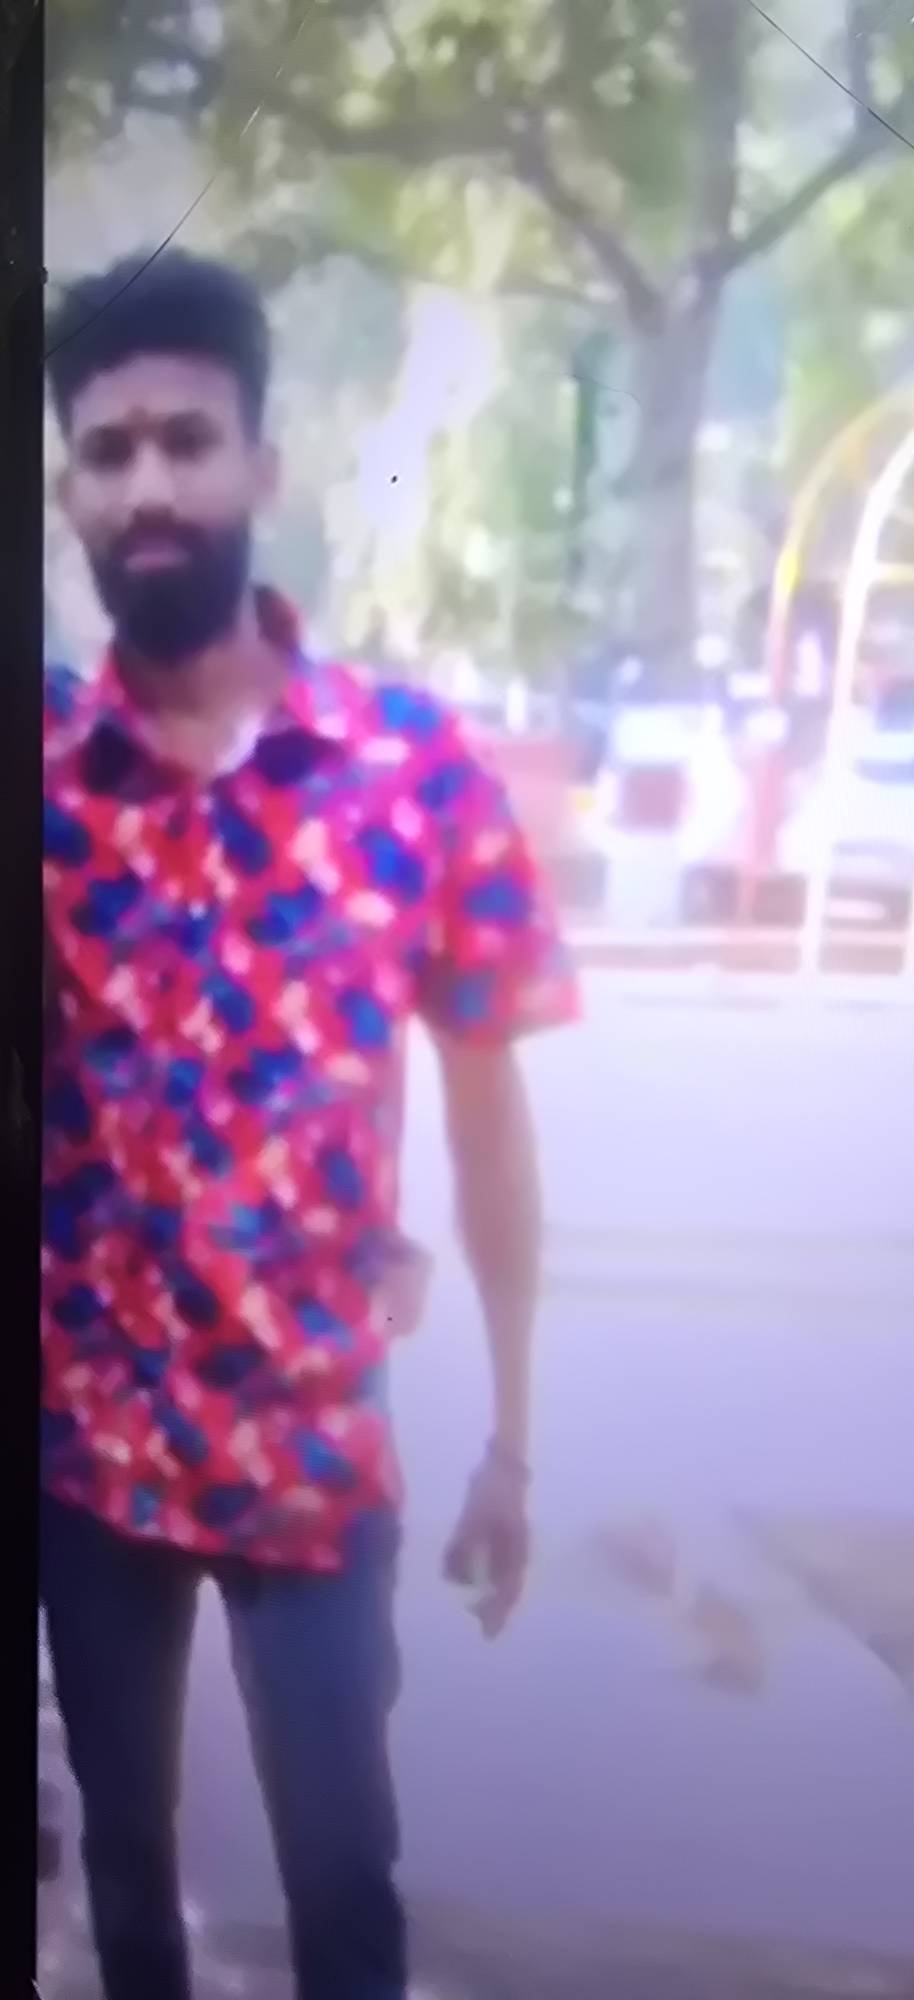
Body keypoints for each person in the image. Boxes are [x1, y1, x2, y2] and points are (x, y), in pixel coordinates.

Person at [42, 250, 579, 2000]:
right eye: (108, 449)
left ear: (262, 467)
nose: (149, 483)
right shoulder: (41, 787)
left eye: (187, 439)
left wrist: (511, 1443)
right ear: (69, 494)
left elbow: (491, 1128)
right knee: (126, 1885)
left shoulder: (410, 773)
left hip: (315, 1464)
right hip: (89, 1459)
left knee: (347, 1880)